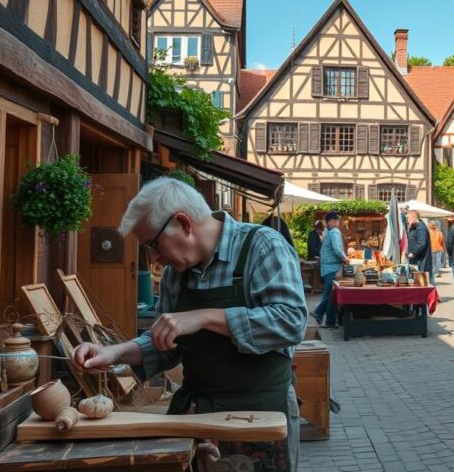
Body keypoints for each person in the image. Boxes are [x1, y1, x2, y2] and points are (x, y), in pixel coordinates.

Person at [71, 178, 306, 470]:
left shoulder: (263, 247)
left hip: (259, 416)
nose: (154, 259)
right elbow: (167, 344)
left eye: (153, 244)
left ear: (183, 223)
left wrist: (204, 317)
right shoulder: (176, 274)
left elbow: (291, 321)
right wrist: (114, 352)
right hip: (196, 417)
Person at [312, 212, 348, 329]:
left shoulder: (328, 232)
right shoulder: (335, 232)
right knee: (331, 295)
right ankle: (321, 315)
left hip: (327, 267)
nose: (337, 223)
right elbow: (337, 249)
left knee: (330, 294)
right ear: (332, 221)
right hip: (332, 268)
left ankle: (327, 319)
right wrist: (345, 259)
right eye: (336, 221)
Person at [405, 211, 433, 280]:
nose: (407, 220)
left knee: (423, 281)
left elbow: (421, 243)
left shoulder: (420, 227)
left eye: (408, 218)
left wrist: (413, 253)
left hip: (421, 260)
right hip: (416, 259)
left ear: (414, 217)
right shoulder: (415, 227)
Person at [429, 221, 445, 285]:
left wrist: (444, 248)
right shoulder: (428, 232)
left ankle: (435, 273)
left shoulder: (439, 232)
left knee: (437, 262)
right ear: (429, 225)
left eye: (434, 225)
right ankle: (434, 273)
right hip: (432, 250)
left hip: (437, 249)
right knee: (434, 262)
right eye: (432, 225)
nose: (433, 226)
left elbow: (442, 241)